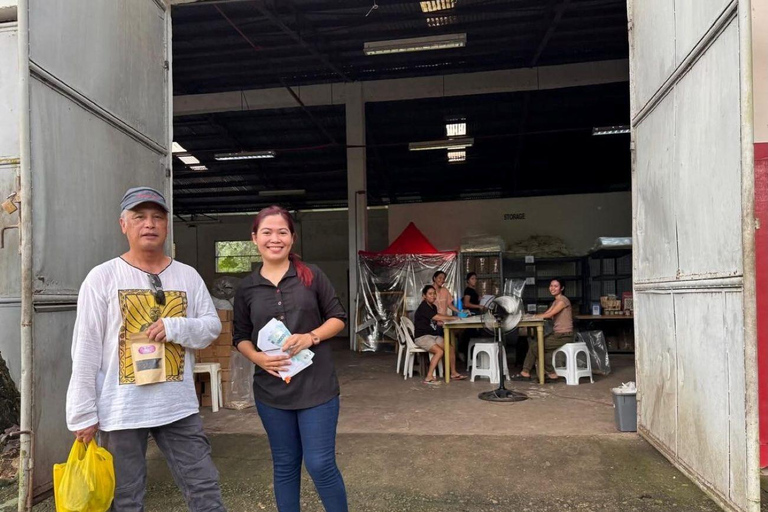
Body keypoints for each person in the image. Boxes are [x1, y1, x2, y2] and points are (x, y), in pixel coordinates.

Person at [66, 186, 226, 511]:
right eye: (139, 217)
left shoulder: (187, 276)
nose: (149, 224)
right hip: (121, 409)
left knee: (205, 488)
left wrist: (175, 326)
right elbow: (85, 349)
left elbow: (211, 328)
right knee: (125, 499)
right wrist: (82, 412)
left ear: (167, 225)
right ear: (123, 224)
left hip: (177, 406)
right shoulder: (102, 278)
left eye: (157, 217)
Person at [233, 206, 348, 512]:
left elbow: (338, 318)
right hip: (272, 392)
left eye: (282, 232)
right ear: (255, 238)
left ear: (292, 238)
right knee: (285, 464)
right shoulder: (246, 288)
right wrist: (257, 357)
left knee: (320, 463)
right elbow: (240, 336)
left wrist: (311, 337)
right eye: (267, 232)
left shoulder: (311, 277)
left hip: (317, 387)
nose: (275, 238)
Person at [511, 278, 574, 382]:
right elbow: (545, 314)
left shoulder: (563, 300)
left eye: (556, 286)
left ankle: (551, 374)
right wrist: (532, 316)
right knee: (536, 345)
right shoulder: (556, 301)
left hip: (564, 335)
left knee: (536, 347)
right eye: (551, 285)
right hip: (557, 334)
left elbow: (548, 315)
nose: (552, 288)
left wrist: (533, 316)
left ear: (562, 288)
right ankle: (526, 372)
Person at [413, 285, 468, 384]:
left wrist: (443, 321)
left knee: (450, 348)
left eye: (434, 294)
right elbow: (437, 317)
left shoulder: (433, 306)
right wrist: (453, 317)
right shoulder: (423, 306)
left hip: (432, 335)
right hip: (422, 337)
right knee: (439, 352)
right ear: (424, 296)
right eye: (430, 294)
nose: (433, 296)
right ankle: (429, 377)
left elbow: (434, 320)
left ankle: (453, 373)